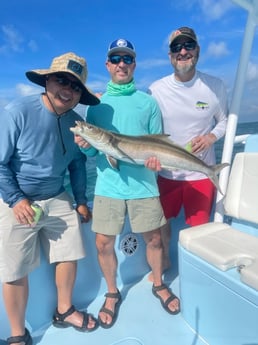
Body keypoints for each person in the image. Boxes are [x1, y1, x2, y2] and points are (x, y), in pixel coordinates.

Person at [74, 38, 180, 329]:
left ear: (134, 64)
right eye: (116, 59)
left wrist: (157, 163)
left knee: (155, 239)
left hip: (144, 186)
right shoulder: (95, 105)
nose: (122, 64)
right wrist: (85, 145)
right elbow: (95, 150)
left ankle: (159, 284)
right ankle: (112, 292)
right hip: (108, 188)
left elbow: (157, 143)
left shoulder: (148, 102)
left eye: (128, 59)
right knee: (103, 243)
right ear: (107, 65)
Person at [0, 52, 100, 345]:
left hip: (56, 195)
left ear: (80, 94)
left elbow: (77, 164)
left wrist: (80, 199)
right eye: (61, 80)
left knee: (71, 251)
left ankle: (64, 310)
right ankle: (18, 334)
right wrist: (17, 199)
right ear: (46, 81)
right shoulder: (17, 111)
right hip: (16, 198)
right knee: (14, 269)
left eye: (75, 86)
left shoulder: (75, 122)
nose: (67, 90)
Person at [147, 27, 228, 275]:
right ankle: (167, 261)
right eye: (176, 48)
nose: (183, 51)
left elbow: (224, 121)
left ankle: (195, 272)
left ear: (197, 51)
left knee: (199, 230)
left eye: (188, 46)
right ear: (170, 55)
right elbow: (146, 126)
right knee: (162, 225)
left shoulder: (215, 86)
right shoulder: (155, 89)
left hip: (201, 175)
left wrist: (212, 136)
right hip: (166, 174)